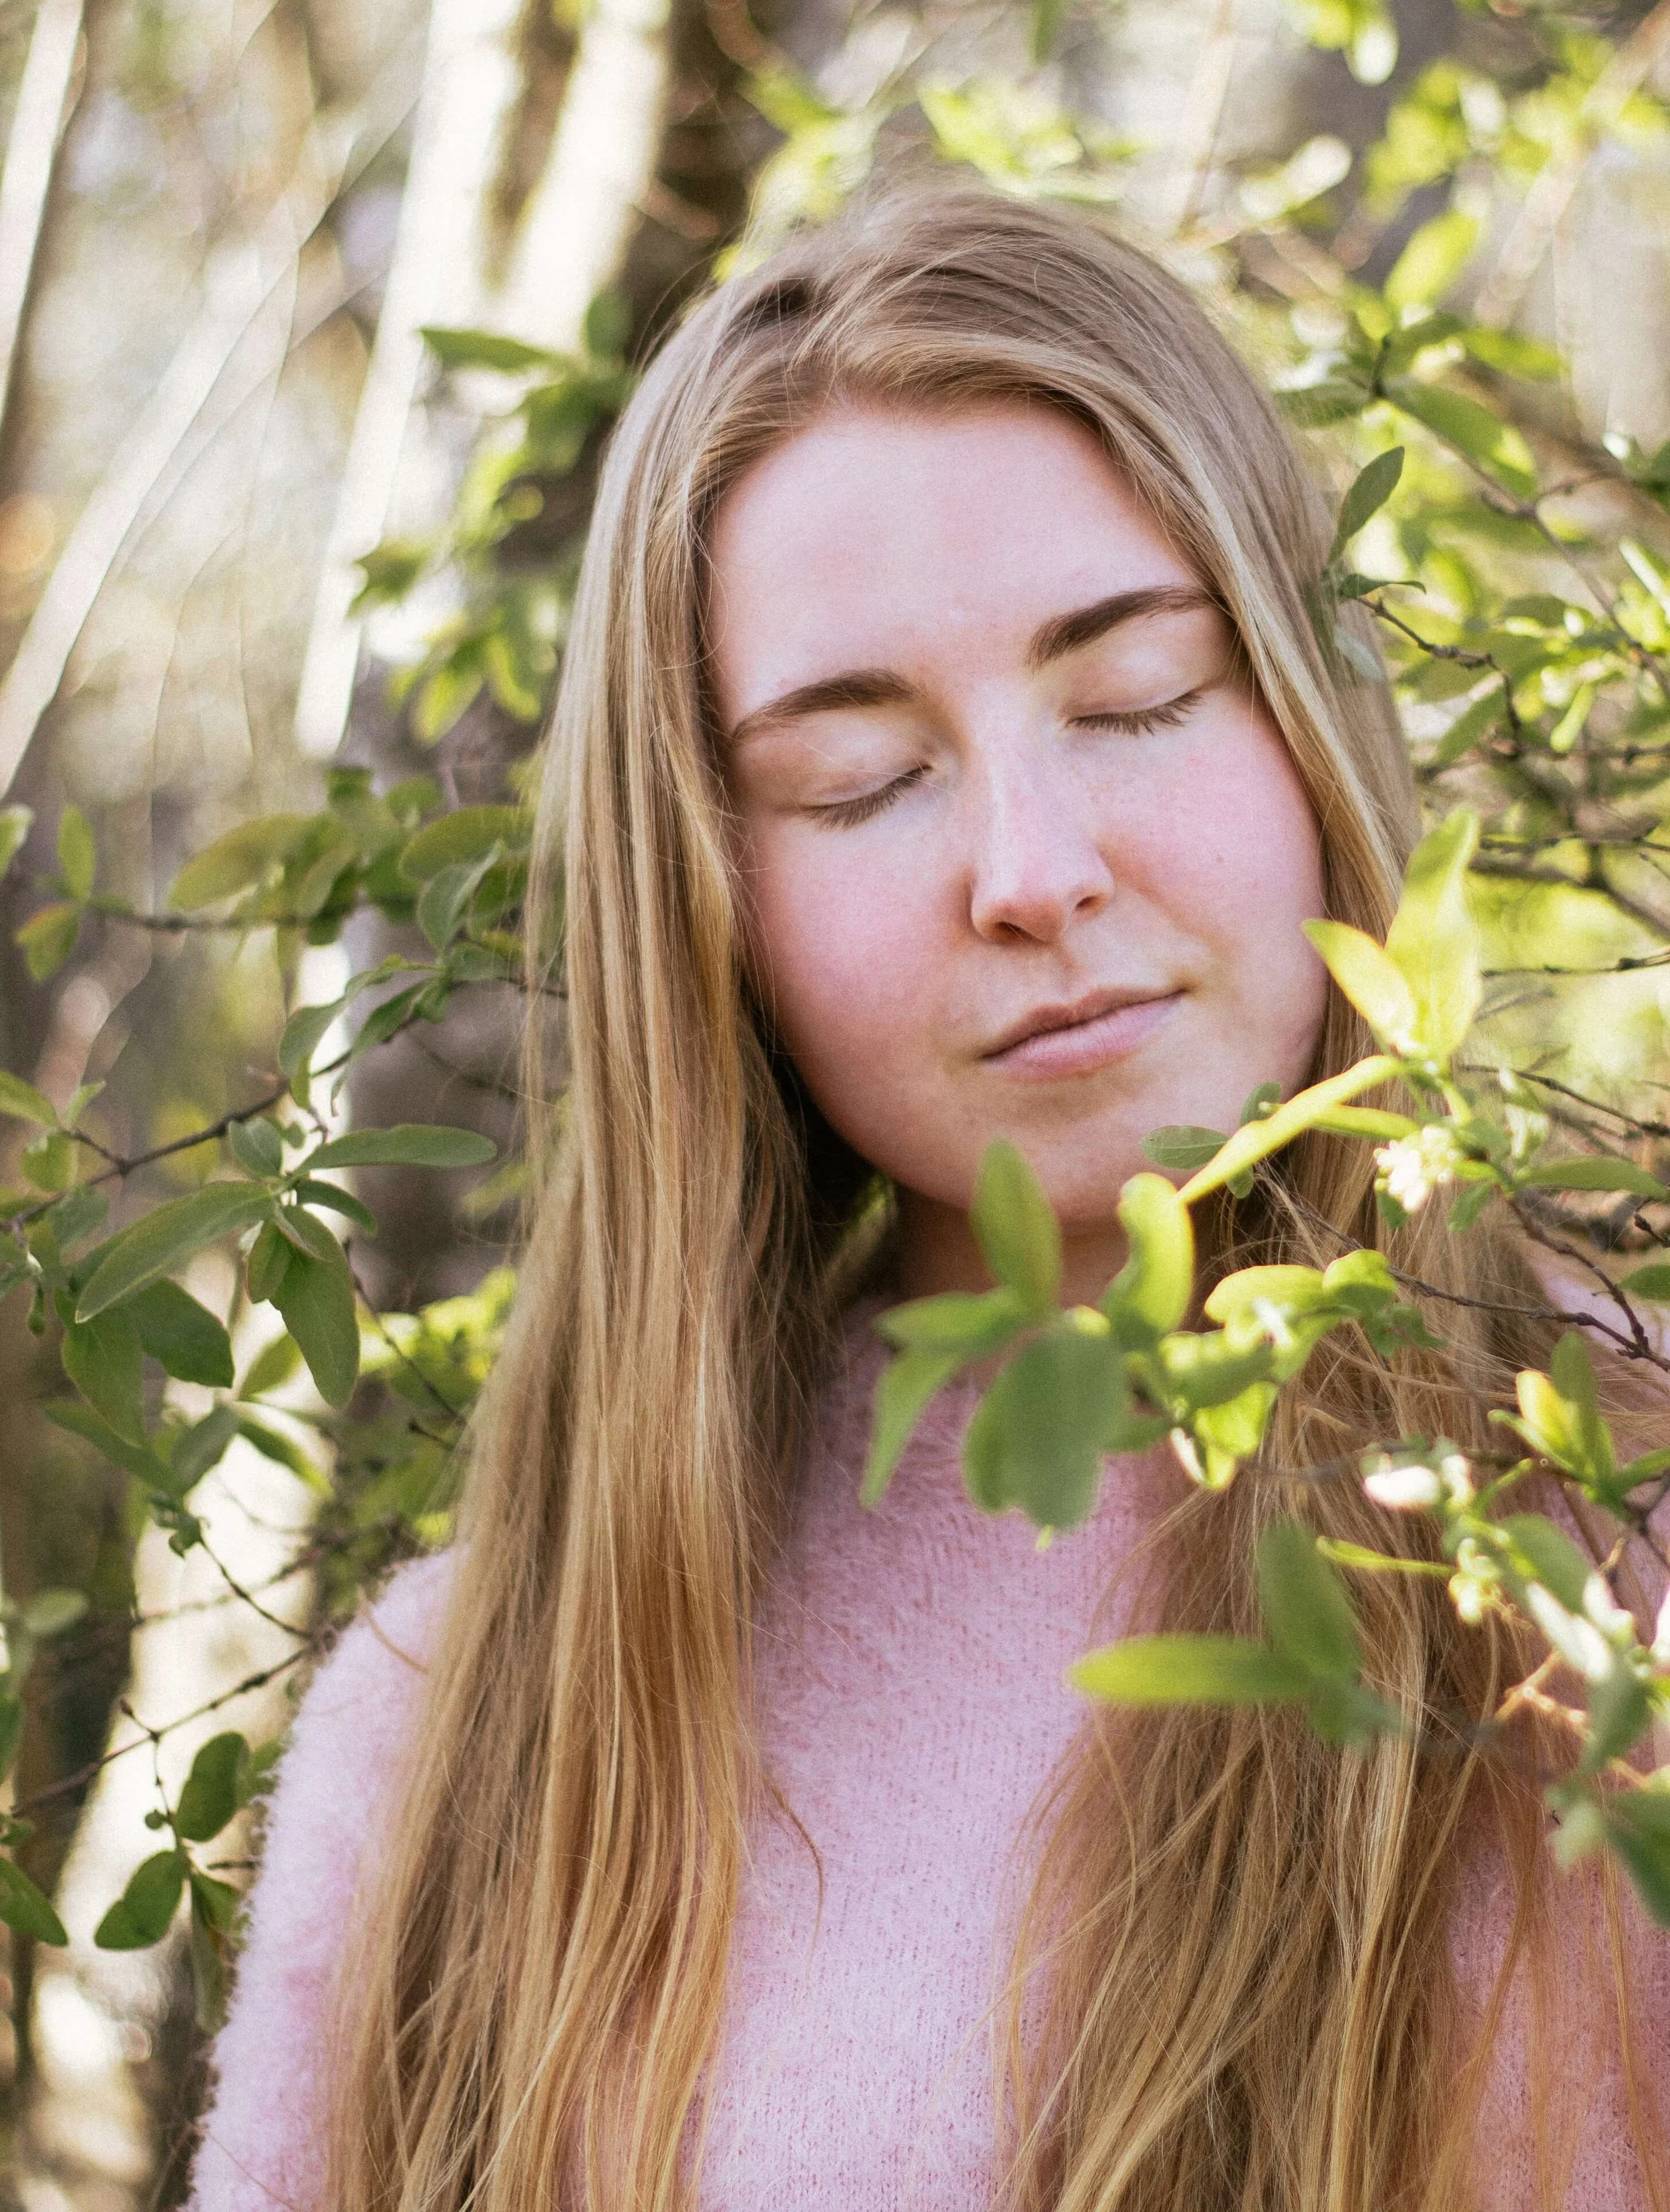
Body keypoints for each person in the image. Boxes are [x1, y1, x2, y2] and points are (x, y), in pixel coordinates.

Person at [188, 183, 1667, 2212]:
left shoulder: (1620, 1553)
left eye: (1137, 689)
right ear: (709, 905)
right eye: (863, 776)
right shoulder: (465, 1722)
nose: (1029, 866)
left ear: (1309, 724)